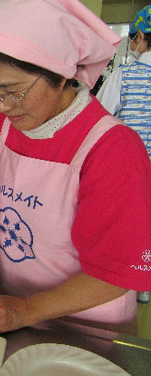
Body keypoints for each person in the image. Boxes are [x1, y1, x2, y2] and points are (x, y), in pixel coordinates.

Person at [0, 0, 151, 336]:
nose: (2, 106)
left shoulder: (112, 149)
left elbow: (117, 273)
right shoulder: (0, 132)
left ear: (61, 75)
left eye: (13, 91)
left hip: (88, 326)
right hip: (15, 310)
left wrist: (27, 310)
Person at [96, 5, 151, 306]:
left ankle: (138, 283)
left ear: (141, 37)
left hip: (133, 170)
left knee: (135, 223)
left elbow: (101, 119)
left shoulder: (125, 75)